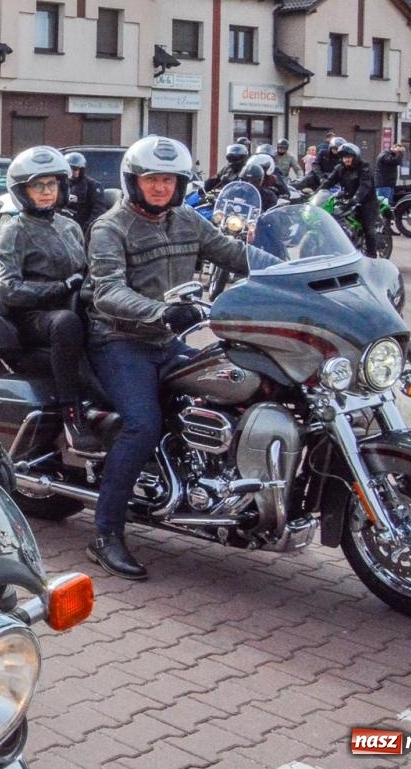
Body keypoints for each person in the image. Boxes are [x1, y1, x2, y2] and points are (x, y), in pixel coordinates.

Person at [85, 136, 249, 579]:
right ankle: (105, 535)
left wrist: (297, 270)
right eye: (152, 179)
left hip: (167, 340)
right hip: (120, 339)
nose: (161, 188)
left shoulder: (189, 220)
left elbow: (236, 255)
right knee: (142, 424)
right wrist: (161, 311)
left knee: (234, 388)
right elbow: (107, 290)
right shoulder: (110, 227)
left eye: (169, 180)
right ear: (134, 182)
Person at [0, 147, 100, 453]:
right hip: (35, 316)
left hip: (75, 305)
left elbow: (86, 268)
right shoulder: (15, 230)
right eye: (37, 186)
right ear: (23, 191)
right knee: (66, 323)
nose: (46, 192)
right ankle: (72, 416)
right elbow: (8, 289)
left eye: (51, 184)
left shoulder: (69, 225)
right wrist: (60, 287)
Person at [321, 143, 382, 256]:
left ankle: (372, 257)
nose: (346, 160)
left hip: (366, 202)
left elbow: (365, 186)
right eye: (344, 157)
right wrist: (316, 193)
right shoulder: (340, 168)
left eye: (349, 157)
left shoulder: (364, 167)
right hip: (348, 201)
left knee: (368, 229)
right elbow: (328, 182)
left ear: (355, 157)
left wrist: (355, 199)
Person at [62, 151, 109, 235]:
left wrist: (85, 229)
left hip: (82, 228)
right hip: (63, 226)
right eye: (70, 168)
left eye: (75, 169)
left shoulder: (93, 186)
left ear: (82, 170)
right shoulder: (61, 185)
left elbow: (98, 211)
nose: (72, 172)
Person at [374, 143, 403, 208]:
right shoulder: (385, 155)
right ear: (393, 147)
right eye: (398, 149)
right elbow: (394, 161)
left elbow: (399, 162)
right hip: (384, 184)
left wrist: (398, 153)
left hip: (389, 184)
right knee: (384, 205)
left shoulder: (390, 155)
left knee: (388, 205)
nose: (399, 151)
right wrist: (399, 152)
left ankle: (386, 217)